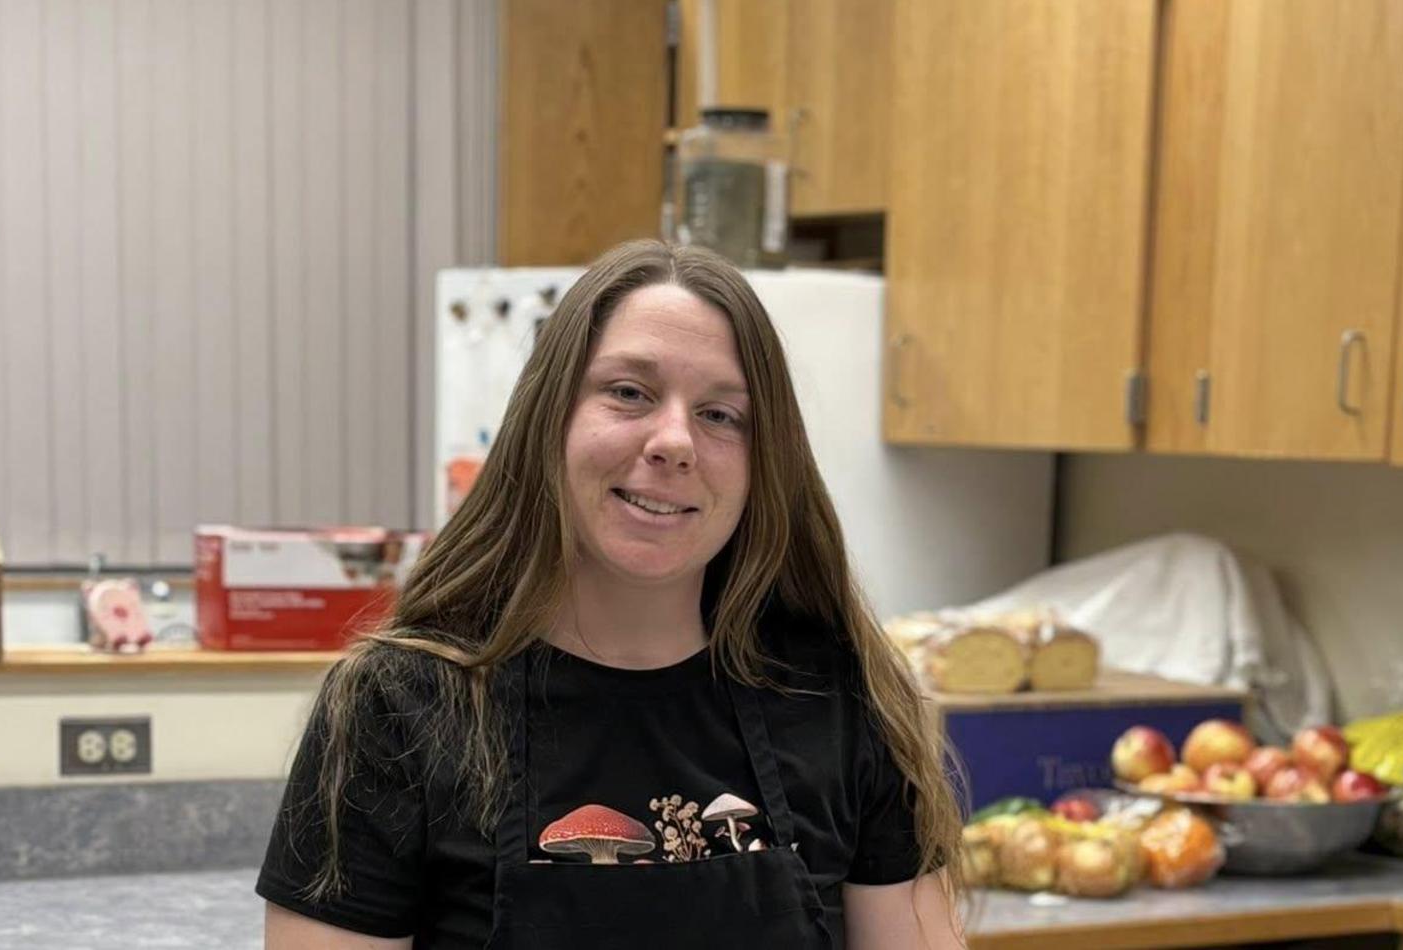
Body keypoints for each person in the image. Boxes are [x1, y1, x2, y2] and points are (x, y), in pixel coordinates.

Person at [256, 239, 968, 949]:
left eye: (722, 415)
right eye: (629, 392)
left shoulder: (840, 700)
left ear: (764, 465)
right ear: (549, 421)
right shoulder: (398, 705)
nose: (674, 440)